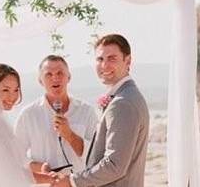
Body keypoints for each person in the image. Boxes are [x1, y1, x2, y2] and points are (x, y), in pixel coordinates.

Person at [53, 34, 150, 187]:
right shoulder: (127, 95)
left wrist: (72, 181)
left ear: (128, 61)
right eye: (100, 59)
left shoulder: (123, 103)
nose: (104, 65)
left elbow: (114, 165)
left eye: (112, 58)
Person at [15, 55, 98, 175]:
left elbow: (95, 155)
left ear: (68, 77)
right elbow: (16, 156)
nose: (55, 78)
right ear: (40, 80)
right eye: (49, 74)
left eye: (60, 73)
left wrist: (69, 135)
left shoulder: (87, 111)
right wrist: (40, 168)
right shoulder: (28, 115)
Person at [0, 63, 53, 187]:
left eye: (16, 90)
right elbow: (13, 171)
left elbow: (17, 161)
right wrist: (52, 179)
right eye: (5, 90)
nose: (12, 96)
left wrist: (41, 167)